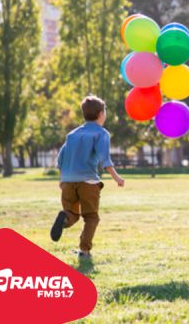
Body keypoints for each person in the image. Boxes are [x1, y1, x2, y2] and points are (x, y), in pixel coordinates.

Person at [50, 95, 125, 260]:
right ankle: (84, 251)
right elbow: (105, 159)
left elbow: (61, 159)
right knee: (91, 217)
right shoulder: (101, 133)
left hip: (67, 181)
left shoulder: (72, 134)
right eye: (105, 111)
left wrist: (62, 180)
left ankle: (64, 218)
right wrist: (117, 178)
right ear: (100, 114)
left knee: (72, 213)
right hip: (88, 181)